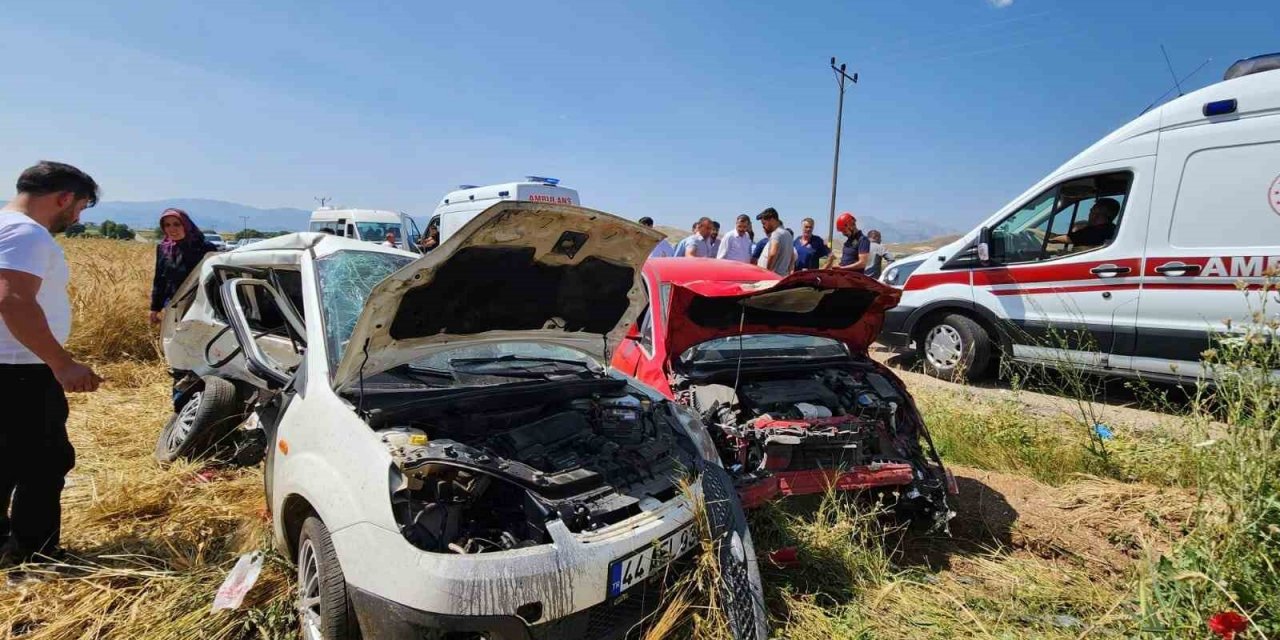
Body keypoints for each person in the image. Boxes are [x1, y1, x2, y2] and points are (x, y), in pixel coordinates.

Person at [0, 161, 103, 566]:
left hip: (12, 366)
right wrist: (62, 363)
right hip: (20, 370)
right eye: (79, 207)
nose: (76, 217)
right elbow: (12, 300)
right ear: (64, 197)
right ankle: (35, 553)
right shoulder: (27, 233)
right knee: (44, 462)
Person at [149, 209, 217, 325]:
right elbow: (160, 279)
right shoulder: (163, 248)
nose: (172, 229)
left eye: (177, 224)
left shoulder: (204, 248)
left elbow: (214, 279)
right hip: (173, 305)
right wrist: (155, 308)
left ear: (186, 225)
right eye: (167, 225)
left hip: (200, 306)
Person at [1049, 198, 1121, 248]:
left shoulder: (1097, 231)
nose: (1089, 213)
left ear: (1097, 212)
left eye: (1092, 210)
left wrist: (1045, 237)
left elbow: (1060, 239)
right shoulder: (1112, 229)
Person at [755, 208, 795, 276]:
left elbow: (773, 254)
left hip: (773, 277)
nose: (764, 226)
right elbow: (792, 256)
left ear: (772, 220)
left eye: (764, 223)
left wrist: (767, 273)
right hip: (782, 276)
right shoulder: (788, 234)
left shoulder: (776, 234)